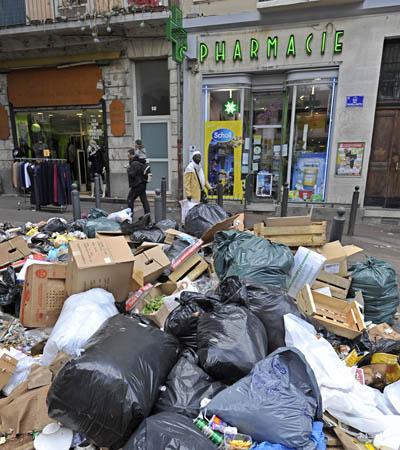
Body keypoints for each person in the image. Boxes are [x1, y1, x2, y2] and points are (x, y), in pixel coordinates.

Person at [127, 148, 151, 217]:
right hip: (142, 184)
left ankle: (129, 216)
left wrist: (128, 169)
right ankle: (147, 216)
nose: (128, 157)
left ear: (132, 155)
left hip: (137, 185)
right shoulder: (139, 161)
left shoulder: (134, 163)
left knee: (130, 199)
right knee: (144, 201)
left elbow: (132, 174)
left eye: (128, 155)